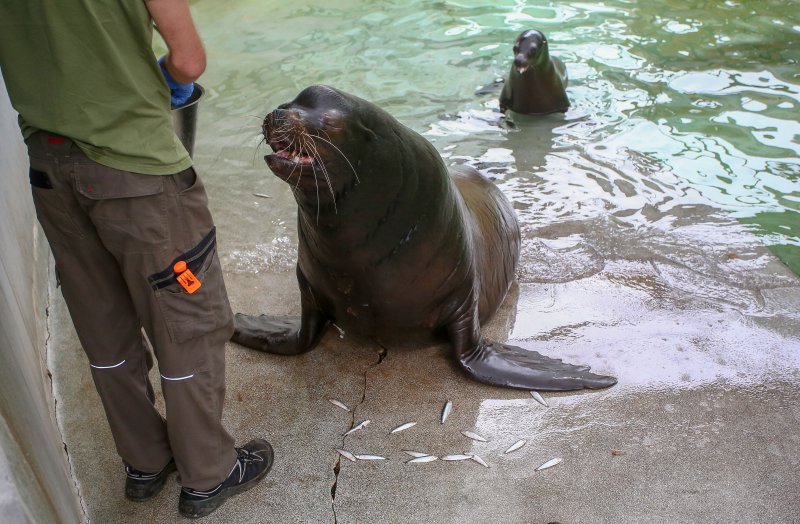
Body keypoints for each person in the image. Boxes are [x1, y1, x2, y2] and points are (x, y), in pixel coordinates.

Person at [0, 0, 272, 518]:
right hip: (135, 169)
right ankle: (208, 474)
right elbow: (188, 62)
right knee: (188, 321)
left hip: (50, 167)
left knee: (102, 323)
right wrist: (155, 79)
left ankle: (146, 462)